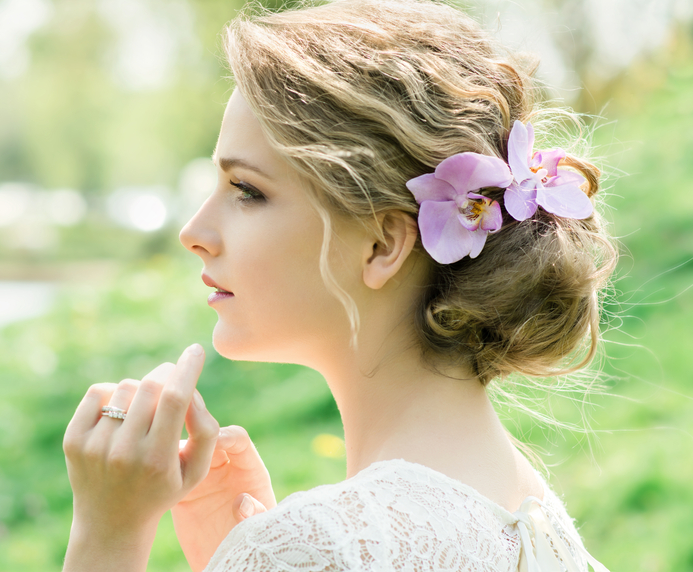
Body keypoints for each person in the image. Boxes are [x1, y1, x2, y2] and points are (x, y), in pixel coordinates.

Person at [61, 1, 616, 570]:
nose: (194, 232)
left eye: (246, 190)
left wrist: (107, 535)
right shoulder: (536, 520)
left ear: (382, 245)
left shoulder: (318, 546)